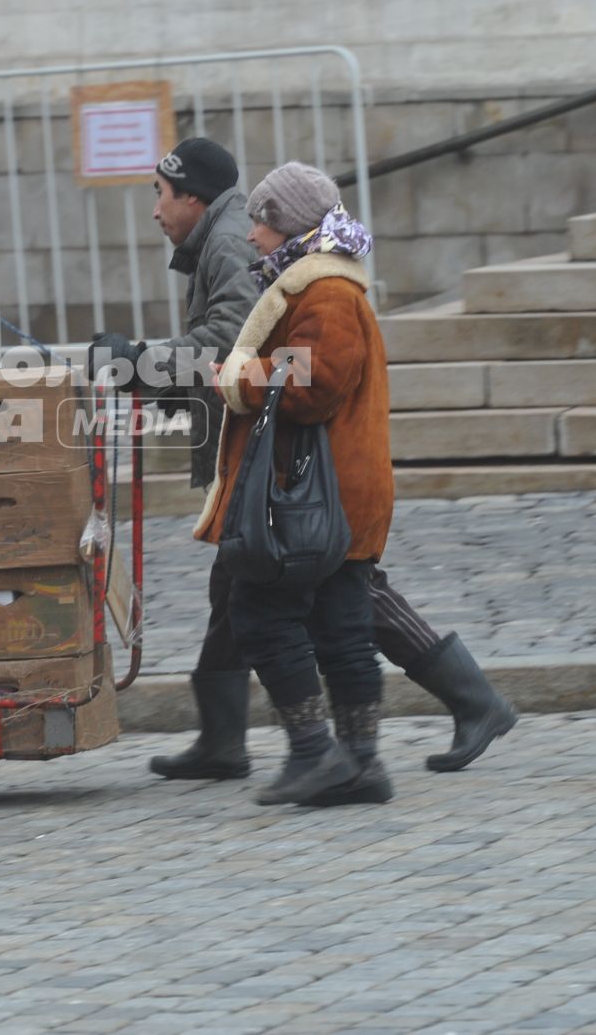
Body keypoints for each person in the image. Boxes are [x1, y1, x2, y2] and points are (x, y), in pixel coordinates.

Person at [92, 142, 515, 783]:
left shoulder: (310, 283)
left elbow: (285, 370)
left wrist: (154, 363)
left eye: (160, 192)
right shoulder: (286, 270)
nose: (155, 209)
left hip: (315, 482)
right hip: (292, 473)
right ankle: (264, 745)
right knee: (259, 595)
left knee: (323, 606)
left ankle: (355, 744)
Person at [200, 161, 393, 805]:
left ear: (285, 224)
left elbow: (310, 382)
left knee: (258, 613)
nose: (251, 235)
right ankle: (361, 765)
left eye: (259, 220)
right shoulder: (320, 286)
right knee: (342, 627)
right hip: (340, 488)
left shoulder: (327, 293)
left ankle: (316, 752)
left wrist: (238, 373)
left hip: (320, 493)